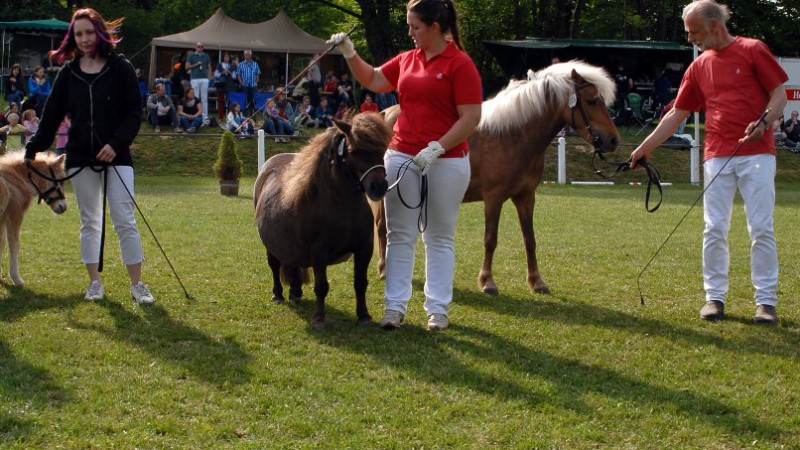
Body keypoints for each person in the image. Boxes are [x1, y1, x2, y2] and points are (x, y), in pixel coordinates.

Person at [629, 0, 788, 325]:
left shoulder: (753, 50)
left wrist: (763, 123)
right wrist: (645, 147)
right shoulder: (698, 67)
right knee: (714, 228)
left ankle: (766, 303)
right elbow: (677, 113)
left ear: (715, 26)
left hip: (757, 154)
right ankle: (714, 298)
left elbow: (779, 96)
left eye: (693, 32)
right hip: (716, 156)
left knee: (760, 228)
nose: (690, 39)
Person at [328, 0, 482, 331]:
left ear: (436, 28)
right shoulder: (408, 60)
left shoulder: (460, 64)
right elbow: (373, 79)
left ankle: (438, 310)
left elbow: (471, 116)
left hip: (448, 160)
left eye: (415, 27)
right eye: (409, 26)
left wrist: (438, 147)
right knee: (399, 234)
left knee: (439, 236)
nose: (410, 33)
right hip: (401, 155)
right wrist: (350, 53)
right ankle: (394, 308)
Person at [24, 7, 157, 304]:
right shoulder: (68, 73)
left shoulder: (120, 67)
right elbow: (50, 119)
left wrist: (116, 143)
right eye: (78, 34)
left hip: (117, 156)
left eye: (88, 32)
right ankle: (94, 283)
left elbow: (135, 114)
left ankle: (137, 284)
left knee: (125, 219)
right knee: (90, 221)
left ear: (99, 33)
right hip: (81, 157)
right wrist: (32, 149)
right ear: (74, 37)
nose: (84, 39)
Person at [186, 42, 211, 126]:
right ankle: (196, 117)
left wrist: (208, 77)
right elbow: (187, 67)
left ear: (203, 48)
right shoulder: (192, 56)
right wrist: (196, 65)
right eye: (198, 46)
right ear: (195, 47)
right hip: (195, 79)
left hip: (204, 79)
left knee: (204, 99)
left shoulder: (206, 56)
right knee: (195, 98)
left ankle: (205, 119)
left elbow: (209, 66)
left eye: (201, 47)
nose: (200, 48)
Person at [234, 50, 260, 116]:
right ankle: (244, 116)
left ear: (250, 55)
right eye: (245, 54)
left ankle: (252, 115)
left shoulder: (255, 64)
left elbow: (257, 74)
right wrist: (241, 83)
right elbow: (238, 75)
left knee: (253, 101)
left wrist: (256, 82)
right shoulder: (241, 64)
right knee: (245, 101)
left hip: (253, 86)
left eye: (248, 54)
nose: (246, 56)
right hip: (244, 86)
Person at [214, 52, 234, 121]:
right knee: (220, 101)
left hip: (229, 85)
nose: (226, 58)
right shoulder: (219, 65)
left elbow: (234, 76)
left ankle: (229, 117)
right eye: (225, 57)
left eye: (227, 57)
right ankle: (220, 117)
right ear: (223, 57)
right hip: (221, 85)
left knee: (229, 101)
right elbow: (216, 75)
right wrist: (222, 72)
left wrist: (229, 72)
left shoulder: (231, 65)